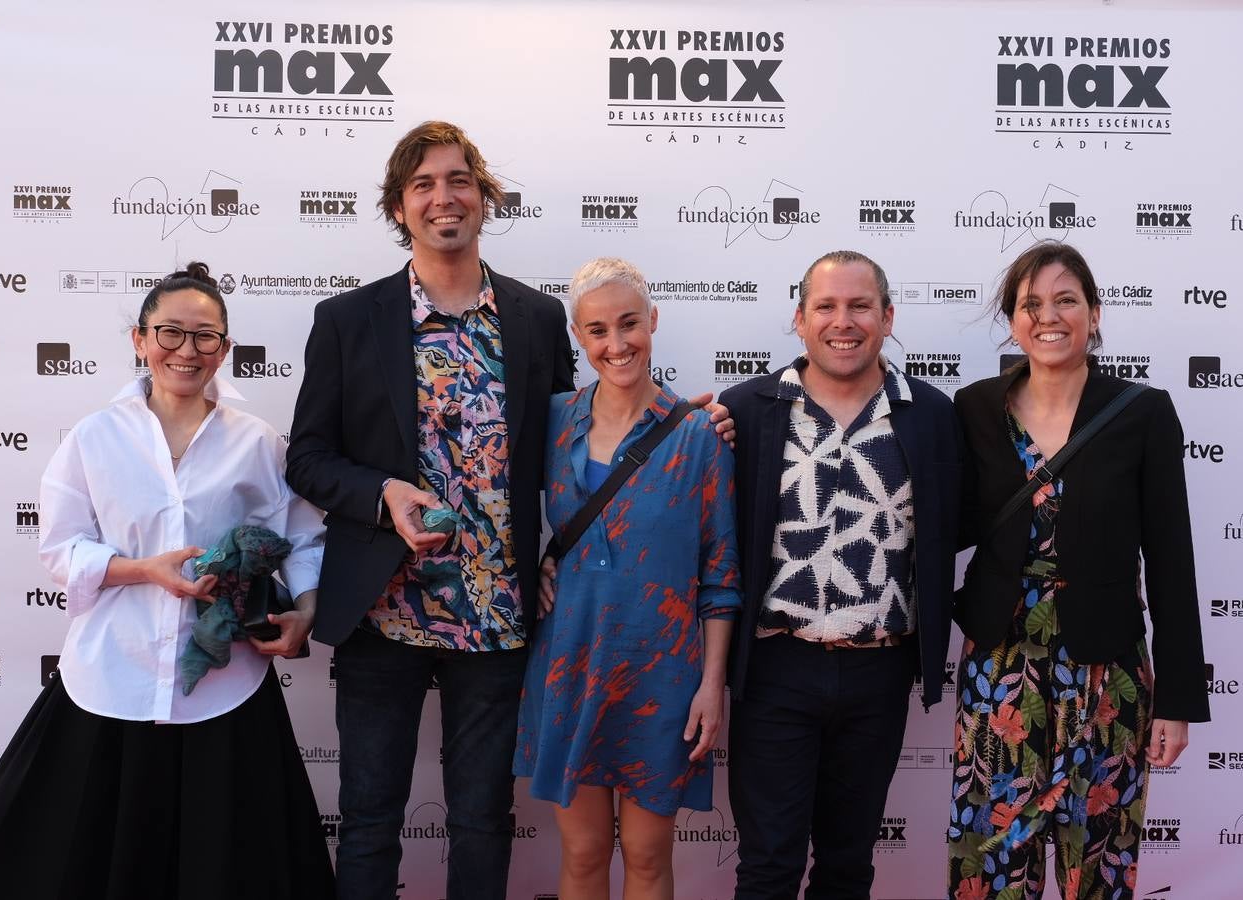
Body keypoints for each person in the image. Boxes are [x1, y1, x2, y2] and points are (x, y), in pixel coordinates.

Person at [286, 121, 732, 900]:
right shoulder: (347, 320)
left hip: (498, 614)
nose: (442, 197)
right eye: (422, 185)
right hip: (383, 611)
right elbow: (308, 458)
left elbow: (582, 431)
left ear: (483, 196)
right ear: (399, 206)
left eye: (458, 179)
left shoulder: (530, 319)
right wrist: (382, 492)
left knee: (483, 820)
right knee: (366, 820)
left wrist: (684, 430)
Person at [0, 263, 333, 900]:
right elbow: (60, 549)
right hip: (109, 677)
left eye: (206, 337)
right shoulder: (94, 438)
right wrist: (143, 570)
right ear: (140, 340)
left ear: (224, 350)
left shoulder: (257, 443)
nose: (187, 350)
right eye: (170, 332)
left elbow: (304, 536)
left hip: (223, 686)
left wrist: (306, 608)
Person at [946, 241, 1209, 899]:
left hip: (1107, 674)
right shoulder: (975, 409)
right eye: (1031, 303)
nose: (1048, 316)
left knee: (1098, 867)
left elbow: (1172, 564)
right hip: (999, 671)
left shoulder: (1143, 413)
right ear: (1012, 319)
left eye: (1066, 300)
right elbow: (945, 524)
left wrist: (1177, 701)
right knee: (991, 866)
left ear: (1094, 313)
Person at [720, 250, 964, 899]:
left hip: (877, 675)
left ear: (887, 317)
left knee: (848, 866)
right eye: (826, 306)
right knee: (768, 866)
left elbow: (959, 529)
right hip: (774, 673)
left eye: (860, 306)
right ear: (799, 319)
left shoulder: (933, 416)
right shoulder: (746, 410)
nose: (843, 321)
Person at [515, 258, 740, 900]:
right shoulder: (553, 419)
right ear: (579, 340)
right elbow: (496, 507)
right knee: (583, 854)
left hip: (663, 672)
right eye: (596, 331)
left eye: (629, 324)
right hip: (570, 661)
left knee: (646, 856)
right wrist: (532, 568)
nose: (616, 345)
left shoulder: (700, 434)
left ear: (654, 321)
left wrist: (711, 686)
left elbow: (722, 576)